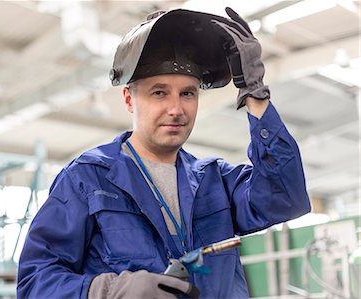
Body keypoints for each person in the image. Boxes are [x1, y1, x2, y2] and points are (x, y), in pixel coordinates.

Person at [17, 7, 311, 299]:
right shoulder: (87, 179)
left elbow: (284, 200)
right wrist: (108, 291)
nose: (176, 109)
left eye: (187, 93)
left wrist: (255, 94)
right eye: (159, 92)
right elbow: (34, 283)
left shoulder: (215, 179)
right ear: (129, 99)